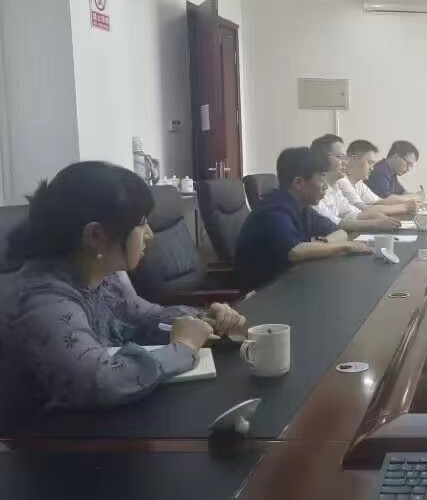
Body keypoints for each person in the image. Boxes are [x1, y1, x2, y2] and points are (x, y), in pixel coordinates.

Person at [0, 162, 246, 424]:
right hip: (49, 437)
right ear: (96, 235)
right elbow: (100, 381)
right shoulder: (41, 301)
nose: (150, 235)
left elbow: (143, 318)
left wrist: (201, 320)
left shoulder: (105, 275)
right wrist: (184, 347)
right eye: (141, 224)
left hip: (105, 422)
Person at [234, 147, 372, 290]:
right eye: (321, 179)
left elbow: (340, 232)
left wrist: (322, 245)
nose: (325, 186)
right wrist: (345, 246)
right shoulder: (274, 211)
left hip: (290, 282)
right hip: (262, 294)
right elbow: (295, 252)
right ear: (298, 183)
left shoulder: (302, 208)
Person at [309, 135, 405, 230]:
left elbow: (351, 213)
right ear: (322, 158)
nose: (346, 162)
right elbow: (333, 222)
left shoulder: (335, 187)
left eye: (345, 158)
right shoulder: (312, 190)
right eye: (340, 157)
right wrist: (375, 223)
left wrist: (377, 217)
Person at [336, 139, 418, 216]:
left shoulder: (359, 183)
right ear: (354, 159)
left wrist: (409, 204)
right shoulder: (342, 181)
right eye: (369, 162)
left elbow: (380, 202)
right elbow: (365, 209)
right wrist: (405, 207)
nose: (372, 168)